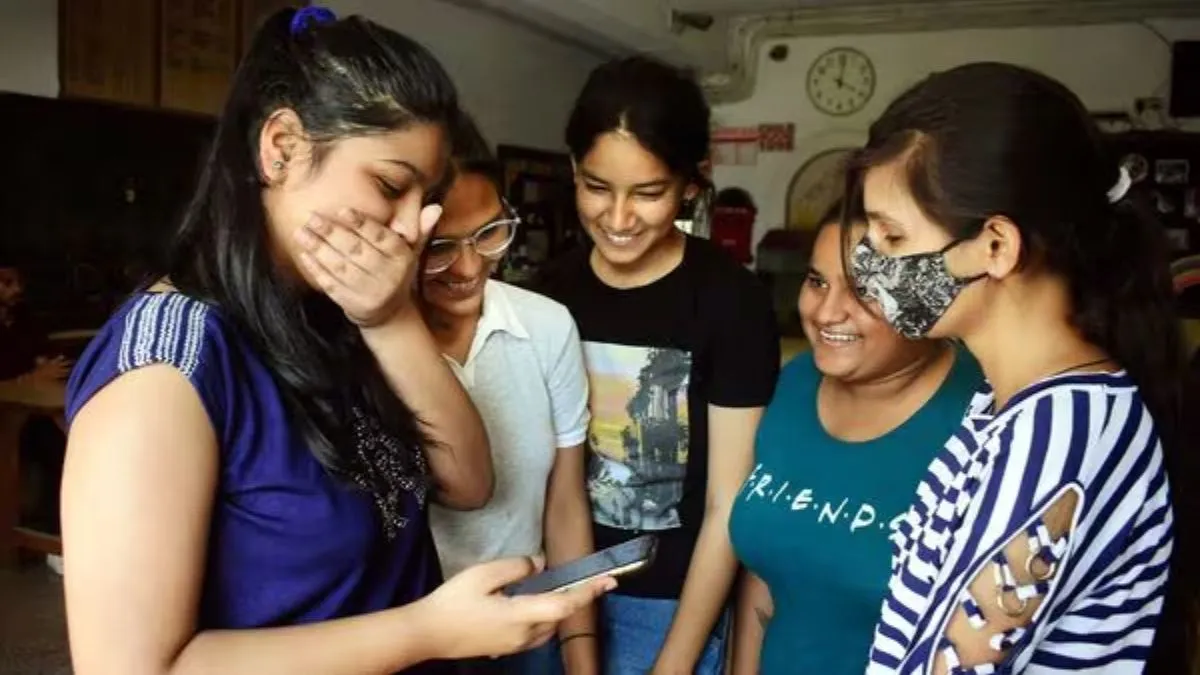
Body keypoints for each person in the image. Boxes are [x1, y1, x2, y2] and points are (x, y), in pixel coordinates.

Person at [60, 8, 613, 675]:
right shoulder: (166, 366)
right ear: (281, 147)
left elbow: (469, 482)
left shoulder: (338, 312)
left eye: (425, 199)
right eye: (390, 186)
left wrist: (390, 320)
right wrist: (425, 631)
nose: (411, 229)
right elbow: (129, 667)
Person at [842, 62, 1184, 673]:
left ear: (996, 246)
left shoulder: (1062, 431)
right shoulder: (1007, 402)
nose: (869, 262)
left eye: (892, 238)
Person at [539, 56, 781, 675]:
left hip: (672, 605)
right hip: (557, 590)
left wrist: (674, 662)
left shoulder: (730, 301)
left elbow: (728, 503)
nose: (618, 219)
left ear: (690, 184)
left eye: (648, 194)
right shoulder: (549, 293)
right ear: (574, 169)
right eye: (597, 187)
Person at [727, 202, 984, 675]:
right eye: (817, 281)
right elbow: (765, 576)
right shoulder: (795, 382)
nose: (826, 312)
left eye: (866, 289)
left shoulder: (984, 417)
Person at [421, 116, 598, 675]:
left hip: (529, 627)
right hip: (414, 633)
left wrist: (579, 653)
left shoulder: (546, 327)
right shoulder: (368, 344)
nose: (470, 267)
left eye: (489, 233)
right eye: (439, 247)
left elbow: (564, 502)